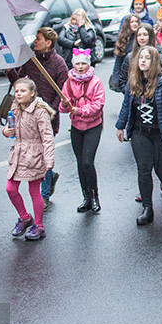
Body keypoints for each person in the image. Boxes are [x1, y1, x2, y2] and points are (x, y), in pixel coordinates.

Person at [116, 46, 162, 225]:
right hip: (140, 132)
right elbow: (125, 107)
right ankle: (148, 209)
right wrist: (120, 126)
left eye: (147, 58)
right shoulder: (133, 81)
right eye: (141, 57)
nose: (143, 60)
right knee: (144, 170)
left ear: (154, 62)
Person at [5, 27, 68, 209]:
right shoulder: (30, 60)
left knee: (44, 156)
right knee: (34, 157)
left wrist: (51, 112)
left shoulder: (59, 64)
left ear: (48, 43)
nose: (34, 42)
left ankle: (45, 194)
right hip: (27, 117)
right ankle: (50, 178)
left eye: (38, 39)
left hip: (47, 117)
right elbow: (18, 83)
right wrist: (10, 71)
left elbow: (62, 92)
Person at [2, 78, 55, 241]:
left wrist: (49, 162)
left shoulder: (40, 111)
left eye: (23, 91)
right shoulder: (14, 107)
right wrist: (6, 131)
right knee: (10, 189)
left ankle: (39, 225)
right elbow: (9, 127)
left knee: (34, 192)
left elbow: (47, 137)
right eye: (17, 91)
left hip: (34, 155)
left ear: (32, 93)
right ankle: (25, 217)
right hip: (18, 154)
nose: (18, 94)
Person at [59, 49, 105, 213]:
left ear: (88, 64)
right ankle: (86, 198)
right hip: (76, 127)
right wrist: (65, 104)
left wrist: (80, 110)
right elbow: (63, 109)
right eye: (77, 63)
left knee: (87, 162)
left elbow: (98, 105)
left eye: (83, 63)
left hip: (93, 126)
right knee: (80, 163)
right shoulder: (68, 82)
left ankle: (95, 196)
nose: (80, 66)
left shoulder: (96, 81)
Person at [117, 24, 162, 92]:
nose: (141, 38)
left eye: (145, 35)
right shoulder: (130, 57)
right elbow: (122, 81)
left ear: (151, 36)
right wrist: (131, 94)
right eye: (139, 35)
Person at [111, 14, 141, 93]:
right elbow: (118, 61)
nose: (135, 24)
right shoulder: (123, 40)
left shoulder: (141, 37)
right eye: (132, 22)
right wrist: (116, 80)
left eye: (136, 22)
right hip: (127, 75)